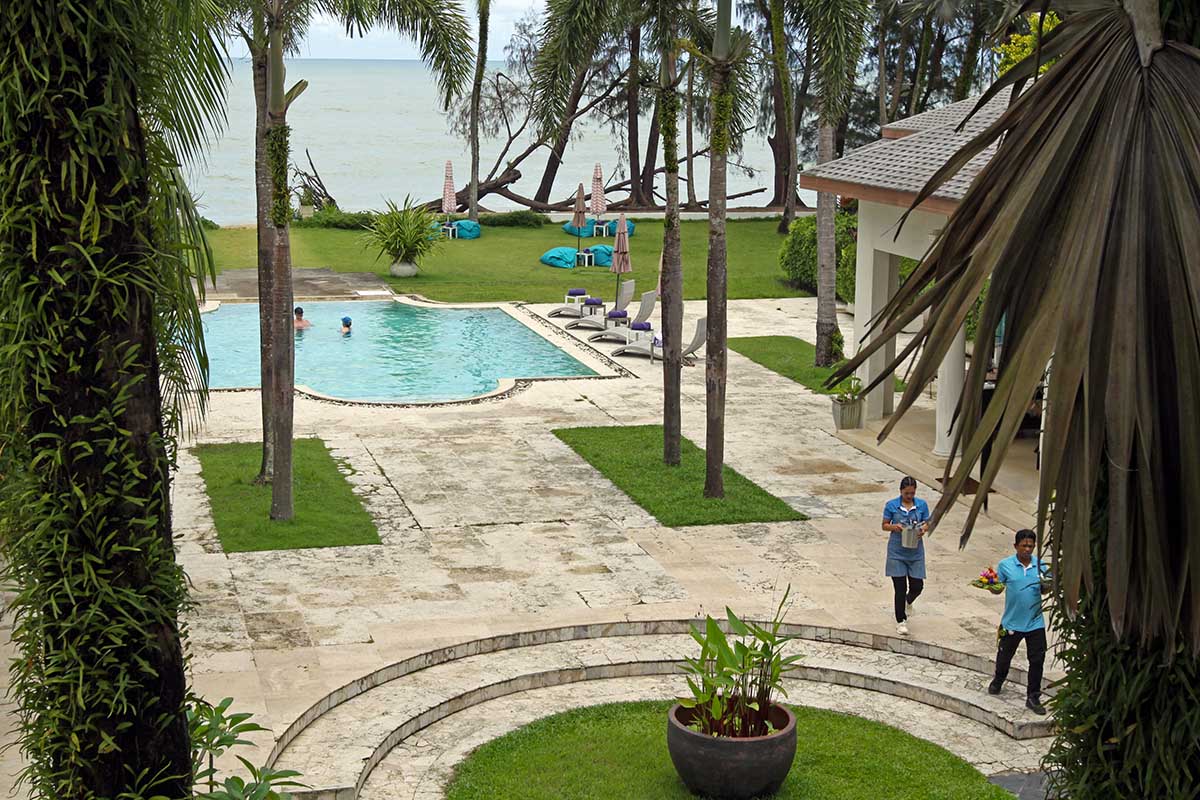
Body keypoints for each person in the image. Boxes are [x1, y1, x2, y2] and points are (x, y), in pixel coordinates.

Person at [987, 529, 1050, 715]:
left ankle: (1033, 696)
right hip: (1011, 623)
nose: (1028, 549)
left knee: (1037, 660)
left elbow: (1045, 590)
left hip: (1035, 623)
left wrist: (1047, 585)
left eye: (1031, 546)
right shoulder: (1005, 565)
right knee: (1004, 656)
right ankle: (998, 679)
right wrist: (990, 585)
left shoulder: (1041, 566)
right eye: (1024, 545)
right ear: (1016, 546)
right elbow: (998, 588)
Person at [881, 476, 929, 636]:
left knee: (917, 585)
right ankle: (900, 620)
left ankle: (909, 601)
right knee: (899, 587)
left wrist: (923, 529)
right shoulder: (892, 506)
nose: (909, 496)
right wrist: (895, 527)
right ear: (901, 491)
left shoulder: (921, 505)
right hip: (897, 551)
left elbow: (927, 522)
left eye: (912, 493)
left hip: (915, 551)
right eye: (907, 493)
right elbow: (884, 525)